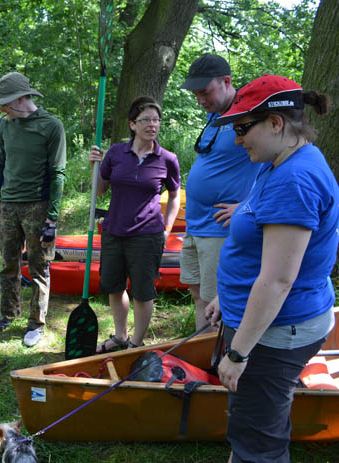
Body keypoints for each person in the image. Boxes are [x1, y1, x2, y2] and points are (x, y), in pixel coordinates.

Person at [205, 75, 337, 463]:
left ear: (276, 123)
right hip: (264, 319)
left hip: (277, 330)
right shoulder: (279, 161)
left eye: (243, 128)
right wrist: (225, 299)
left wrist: (239, 353)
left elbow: (278, 279)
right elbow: (260, 244)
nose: (236, 139)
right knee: (252, 423)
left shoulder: (293, 179)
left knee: (258, 439)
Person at [88, 97, 180, 352]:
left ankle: (136, 344)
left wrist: (167, 229)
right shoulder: (117, 152)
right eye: (146, 120)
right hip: (114, 231)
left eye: (156, 120)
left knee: (143, 292)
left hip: (147, 234)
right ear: (132, 124)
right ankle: (120, 336)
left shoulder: (168, 159)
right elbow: (101, 189)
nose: (152, 125)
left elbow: (174, 195)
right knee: (114, 287)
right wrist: (94, 166)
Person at [180, 54, 262, 333]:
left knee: (221, 302)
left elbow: (275, 166)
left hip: (220, 228)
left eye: (205, 92)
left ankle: (225, 357)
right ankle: (203, 350)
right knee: (199, 295)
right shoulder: (215, 114)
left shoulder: (249, 116)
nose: (200, 100)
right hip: (195, 224)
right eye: (196, 94)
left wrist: (247, 205)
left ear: (226, 82)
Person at [0, 71, 67, 347]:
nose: (2, 109)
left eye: (5, 103)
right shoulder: (5, 126)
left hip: (38, 206)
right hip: (8, 206)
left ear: (21, 100)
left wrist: (52, 218)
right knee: (8, 264)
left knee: (39, 266)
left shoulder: (51, 126)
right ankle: (8, 315)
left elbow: (57, 174)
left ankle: (36, 324)